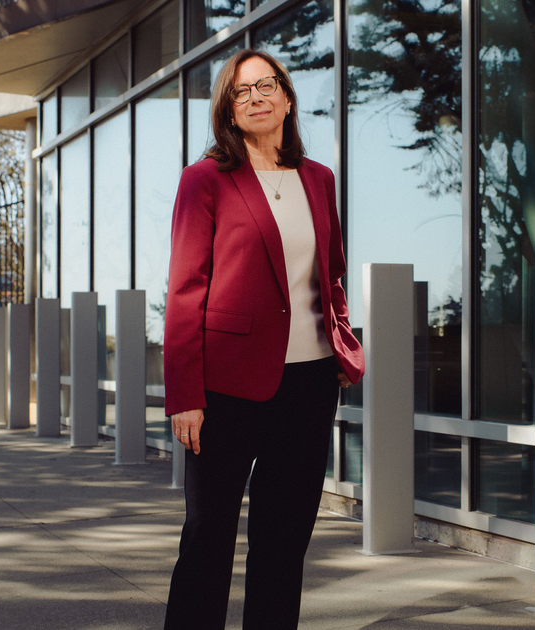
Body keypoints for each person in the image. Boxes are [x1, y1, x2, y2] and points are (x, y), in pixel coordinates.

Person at [162, 49, 365, 630]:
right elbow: (185, 291)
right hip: (225, 384)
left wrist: (342, 344)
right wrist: (185, 394)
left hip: (307, 382)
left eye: (266, 86)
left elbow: (332, 274)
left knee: (283, 541)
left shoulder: (318, 180)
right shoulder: (204, 180)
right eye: (241, 91)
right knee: (208, 535)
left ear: (287, 98)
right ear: (228, 108)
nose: (256, 98)